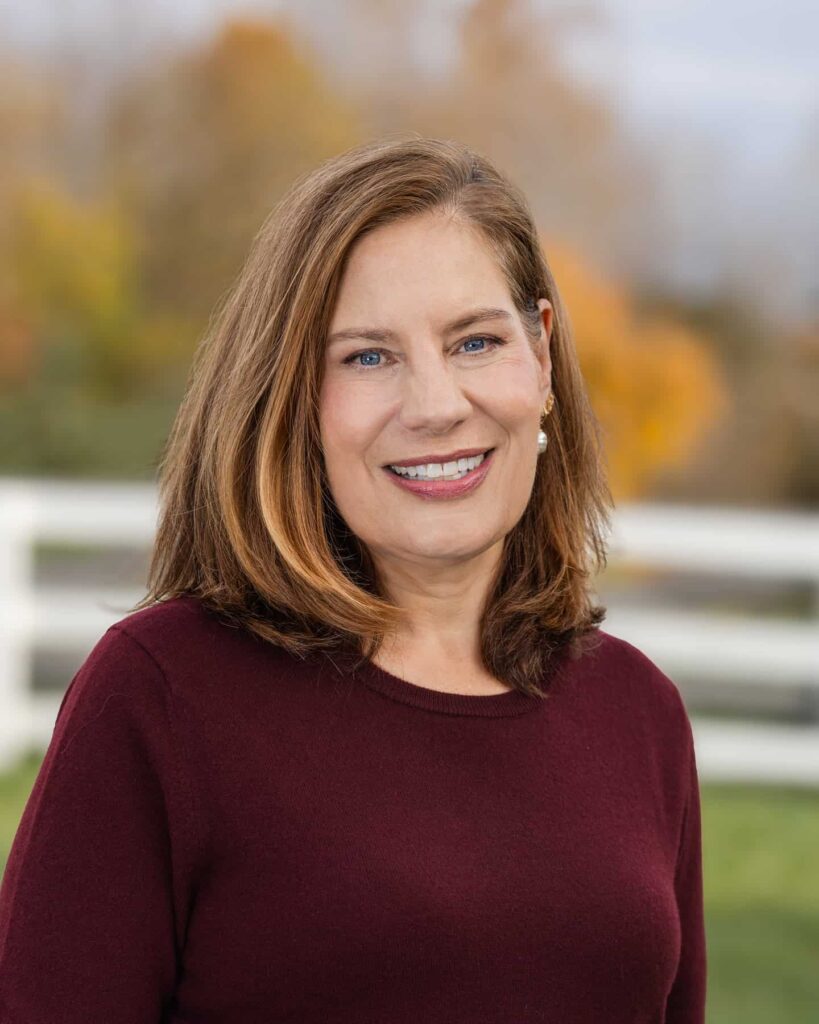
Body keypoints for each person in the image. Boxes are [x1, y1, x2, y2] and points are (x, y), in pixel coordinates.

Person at [0, 134, 706, 1023]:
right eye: (367, 357)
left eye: (476, 342)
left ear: (542, 357)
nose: (436, 405)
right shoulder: (163, 697)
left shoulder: (637, 714)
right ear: (296, 400)